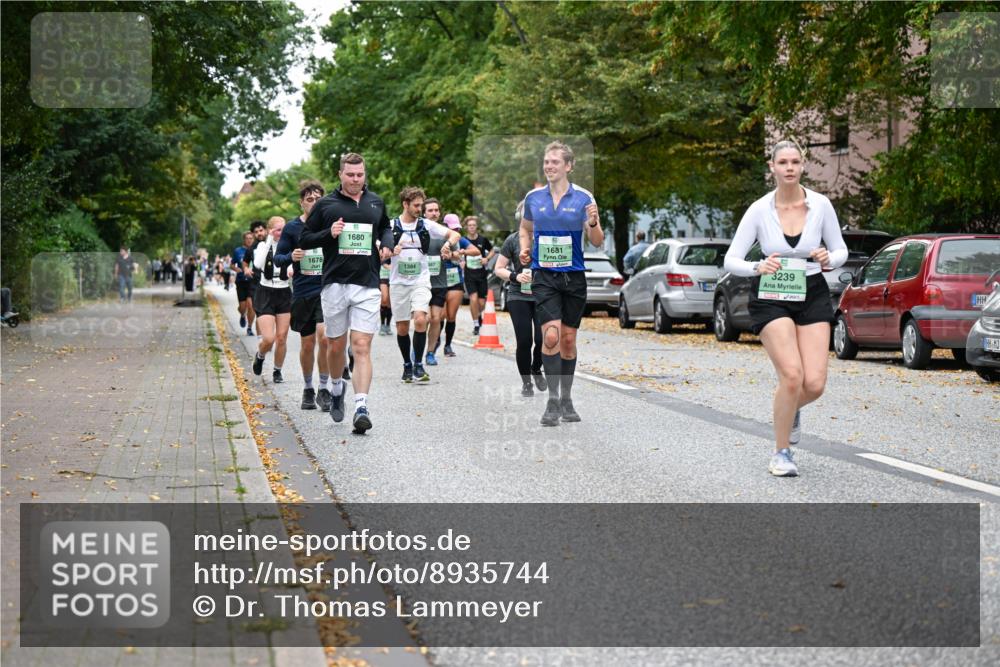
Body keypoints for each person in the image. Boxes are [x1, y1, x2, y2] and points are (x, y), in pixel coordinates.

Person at [724, 139, 847, 477]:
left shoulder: (821, 205)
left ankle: (788, 408)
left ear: (803, 165)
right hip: (772, 292)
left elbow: (840, 251)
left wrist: (827, 258)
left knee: (815, 383)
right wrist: (756, 267)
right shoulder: (759, 210)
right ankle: (782, 452)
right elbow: (731, 258)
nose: (789, 168)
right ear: (773, 168)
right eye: (783, 163)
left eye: (795, 162)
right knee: (791, 375)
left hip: (811, 291)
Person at [299, 152, 393, 434]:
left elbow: (386, 227)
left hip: (367, 283)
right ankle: (337, 388)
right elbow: (305, 238)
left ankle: (361, 406)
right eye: (350, 175)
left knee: (362, 345)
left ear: (365, 174)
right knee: (335, 346)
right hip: (335, 285)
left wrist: (387, 242)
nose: (355, 180)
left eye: (360, 175)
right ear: (340, 174)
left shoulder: (375, 202)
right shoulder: (326, 205)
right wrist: (329, 233)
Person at [519, 141, 604, 426]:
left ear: (568, 166)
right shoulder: (533, 197)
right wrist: (524, 247)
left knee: (568, 340)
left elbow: (596, 240)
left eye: (555, 162)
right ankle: (552, 401)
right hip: (543, 276)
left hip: (574, 277)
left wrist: (592, 223)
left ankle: (567, 398)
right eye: (546, 162)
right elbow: (525, 228)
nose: (549, 166)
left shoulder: (583, 197)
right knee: (551, 336)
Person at [388, 187, 466, 383]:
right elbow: (380, 252)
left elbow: (454, 235)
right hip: (398, 282)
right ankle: (407, 363)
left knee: (422, 320)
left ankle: (418, 364)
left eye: (421, 205)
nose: (419, 209)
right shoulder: (392, 226)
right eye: (416, 205)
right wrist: (391, 251)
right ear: (405, 204)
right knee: (402, 328)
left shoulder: (426, 225)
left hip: (420, 281)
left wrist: (448, 244)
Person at [275, 180, 334, 410]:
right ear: (302, 203)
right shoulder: (292, 228)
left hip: (327, 289)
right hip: (302, 290)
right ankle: (308, 388)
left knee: (325, 337)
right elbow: (279, 258)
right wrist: (292, 255)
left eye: (318, 199)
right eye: (310, 199)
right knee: (308, 343)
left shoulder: (331, 226)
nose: (314, 203)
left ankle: (323, 388)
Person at [494, 226, 547, 396]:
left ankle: (536, 368)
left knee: (543, 339)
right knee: (524, 341)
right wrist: (514, 276)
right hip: (518, 295)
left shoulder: (547, 235)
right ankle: (526, 383)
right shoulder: (513, 239)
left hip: (543, 295)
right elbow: (499, 268)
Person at [424, 200, 478, 365]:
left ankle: (438, 348)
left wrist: (454, 254)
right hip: (423, 282)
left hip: (447, 281)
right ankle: (420, 346)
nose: (434, 213)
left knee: (443, 316)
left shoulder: (448, 235)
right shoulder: (419, 230)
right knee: (424, 318)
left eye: (436, 210)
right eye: (430, 210)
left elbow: (469, 252)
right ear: (424, 213)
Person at [251, 217, 293, 383]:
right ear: (270, 231)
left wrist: (291, 270)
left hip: (283, 291)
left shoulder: (289, 246)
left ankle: (277, 371)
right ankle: (260, 355)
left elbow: (291, 264)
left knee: (281, 337)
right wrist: (269, 240)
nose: (280, 233)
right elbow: (258, 264)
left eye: (283, 229)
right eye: (277, 230)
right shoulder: (262, 246)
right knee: (268, 338)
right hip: (265, 292)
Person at [440, 213, 468, 357]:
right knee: (439, 315)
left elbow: (475, 250)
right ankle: (435, 340)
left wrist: (461, 251)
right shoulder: (437, 237)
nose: (455, 231)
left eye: (457, 228)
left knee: (451, 315)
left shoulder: (460, 239)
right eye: (453, 228)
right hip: (439, 280)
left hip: (455, 280)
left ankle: (448, 345)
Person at [462, 216, 494, 336]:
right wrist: (461, 261)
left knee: (481, 303)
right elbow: (458, 253)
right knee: (473, 299)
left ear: (476, 227)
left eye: (474, 225)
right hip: (469, 275)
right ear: (466, 227)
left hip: (481, 275)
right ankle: (476, 324)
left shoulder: (483, 240)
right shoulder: (464, 241)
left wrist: (487, 258)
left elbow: (492, 251)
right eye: (469, 225)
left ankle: (478, 315)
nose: (471, 227)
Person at [232, 231, 257, 335]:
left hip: (253, 281)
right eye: (247, 238)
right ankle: (243, 315)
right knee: (243, 307)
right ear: (244, 239)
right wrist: (236, 269)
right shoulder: (238, 251)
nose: (249, 240)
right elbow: (232, 264)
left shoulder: (257, 250)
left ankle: (250, 327)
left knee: (251, 306)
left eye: (251, 238)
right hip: (241, 281)